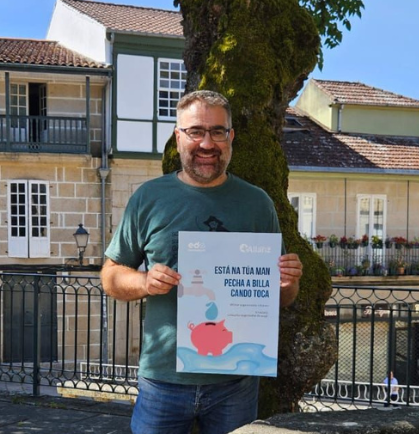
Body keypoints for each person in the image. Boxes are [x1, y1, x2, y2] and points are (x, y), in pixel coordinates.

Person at [101, 90, 303, 434]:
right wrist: (145, 281)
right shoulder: (149, 198)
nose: (207, 143)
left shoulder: (257, 204)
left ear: (231, 138)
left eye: (217, 132)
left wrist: (289, 282)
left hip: (236, 380)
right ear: (178, 137)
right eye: (196, 131)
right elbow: (110, 277)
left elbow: (281, 298)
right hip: (163, 379)